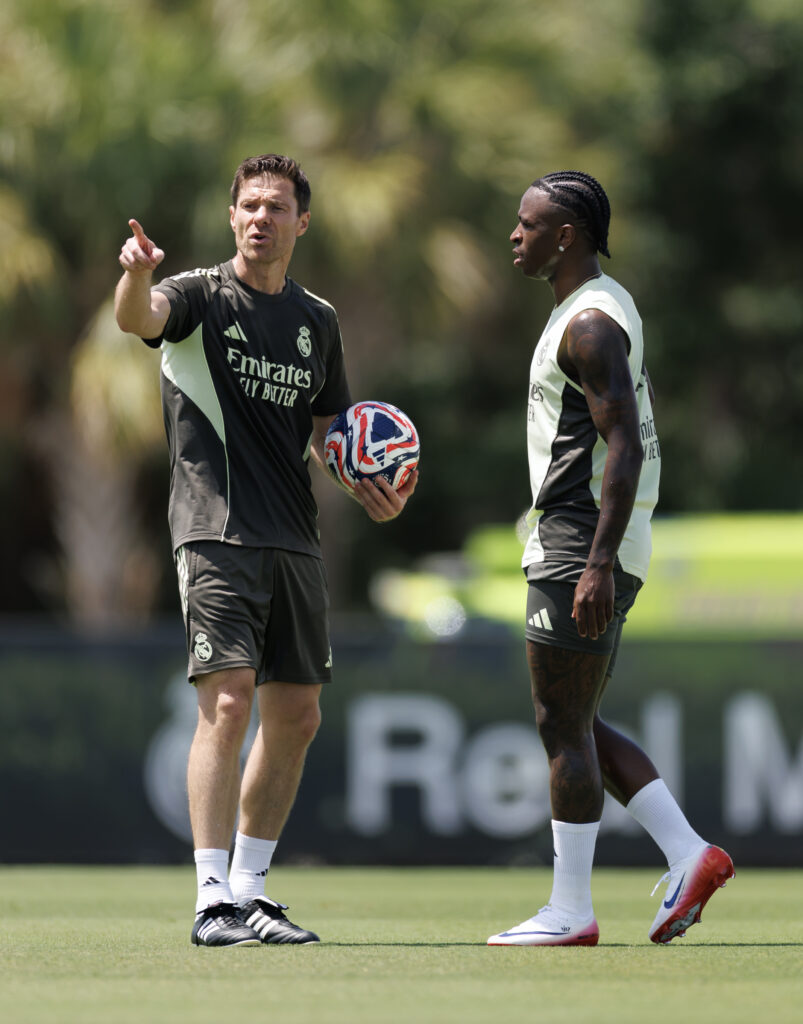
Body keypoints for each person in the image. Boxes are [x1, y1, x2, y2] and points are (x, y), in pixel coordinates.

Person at [115, 153, 417, 947]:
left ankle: (251, 891)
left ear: (300, 222)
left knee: (298, 713)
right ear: (231, 217)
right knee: (227, 700)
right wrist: (136, 276)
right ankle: (210, 896)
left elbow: (332, 432)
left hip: (295, 540)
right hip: (215, 531)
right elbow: (136, 322)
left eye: (276, 207)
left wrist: (368, 488)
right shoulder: (196, 296)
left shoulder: (318, 320)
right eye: (248, 204)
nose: (260, 217)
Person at [487, 171, 733, 947]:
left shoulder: (589, 324)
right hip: (587, 537)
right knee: (576, 719)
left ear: (568, 236)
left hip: (579, 539)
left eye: (529, 225)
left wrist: (594, 562)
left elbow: (621, 447)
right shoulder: (597, 305)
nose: (515, 235)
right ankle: (690, 852)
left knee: (559, 724)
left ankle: (569, 911)